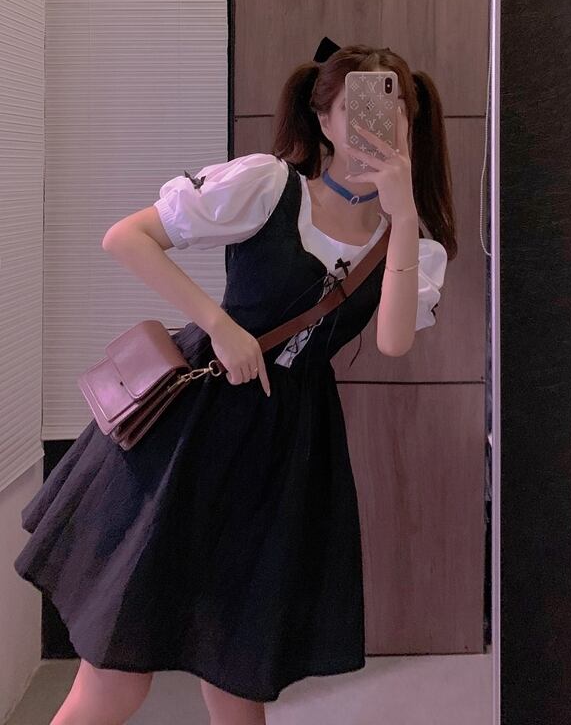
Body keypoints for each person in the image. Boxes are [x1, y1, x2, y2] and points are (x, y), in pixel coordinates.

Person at [13, 42, 458, 725]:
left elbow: (395, 341)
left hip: (288, 457)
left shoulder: (412, 245)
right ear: (325, 120)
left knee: (237, 676)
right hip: (193, 434)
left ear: (412, 124)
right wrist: (219, 325)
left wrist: (400, 216)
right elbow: (126, 237)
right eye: (356, 108)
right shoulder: (268, 186)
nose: (375, 126)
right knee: (115, 680)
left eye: (392, 111)